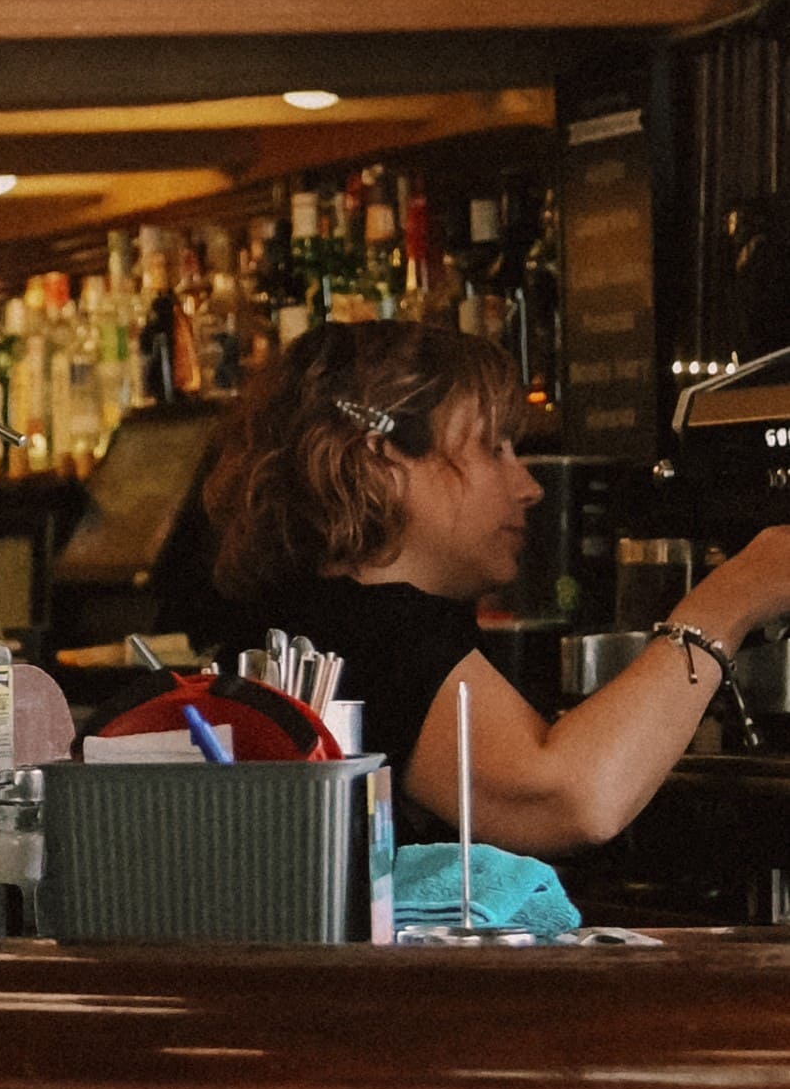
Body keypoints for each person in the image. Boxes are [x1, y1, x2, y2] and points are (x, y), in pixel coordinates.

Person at [172, 309, 790, 847]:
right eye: (494, 449)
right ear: (382, 460)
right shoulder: (372, 636)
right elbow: (569, 798)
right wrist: (733, 598)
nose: (529, 486)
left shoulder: (301, 617)